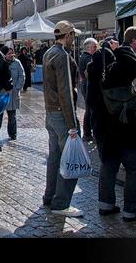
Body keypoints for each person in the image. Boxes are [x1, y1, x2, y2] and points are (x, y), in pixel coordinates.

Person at [88, 27, 136, 222]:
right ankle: (130, 211)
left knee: (108, 167)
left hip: (106, 134)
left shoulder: (93, 79)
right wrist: (120, 48)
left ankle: (105, 205)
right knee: (133, 169)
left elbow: (90, 109)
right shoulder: (115, 74)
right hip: (127, 131)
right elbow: (133, 65)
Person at [42, 20, 82, 217]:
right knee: (70, 160)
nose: (73, 39)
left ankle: (50, 197)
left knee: (55, 158)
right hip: (61, 113)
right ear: (68, 36)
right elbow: (66, 91)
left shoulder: (49, 53)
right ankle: (61, 203)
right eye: (73, 36)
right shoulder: (62, 55)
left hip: (51, 112)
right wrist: (72, 124)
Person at [0, 45, 24, 140]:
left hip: (13, 94)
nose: (11, 55)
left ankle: (13, 134)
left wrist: (17, 88)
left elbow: (22, 76)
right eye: (9, 53)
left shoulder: (17, 63)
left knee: (12, 116)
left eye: (12, 53)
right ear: (4, 54)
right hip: (2, 94)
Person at [78, 38, 98, 141]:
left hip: (85, 84)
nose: (96, 48)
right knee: (90, 110)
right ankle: (87, 133)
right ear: (88, 47)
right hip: (88, 85)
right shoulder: (88, 58)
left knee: (89, 109)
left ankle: (87, 133)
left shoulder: (84, 56)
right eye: (95, 47)